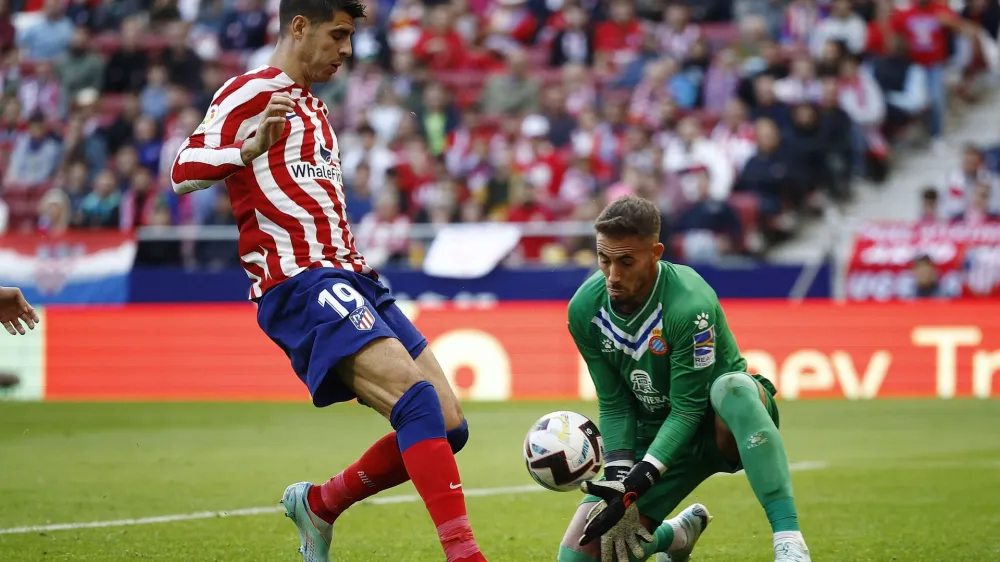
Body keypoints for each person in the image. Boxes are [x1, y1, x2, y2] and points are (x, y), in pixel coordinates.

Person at [168, 1, 487, 561]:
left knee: (448, 424)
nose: (347, 49)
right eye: (337, 35)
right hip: (299, 279)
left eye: (350, 37)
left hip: (354, 276)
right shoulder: (252, 91)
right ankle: (465, 555)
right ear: (298, 26)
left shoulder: (314, 109)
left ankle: (320, 504)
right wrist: (244, 150)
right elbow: (183, 170)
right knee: (414, 404)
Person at [557, 195, 811, 562]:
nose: (612, 275)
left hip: (721, 424)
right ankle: (675, 535)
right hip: (656, 436)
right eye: (604, 259)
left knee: (732, 386)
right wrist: (618, 480)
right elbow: (614, 402)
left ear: (656, 252)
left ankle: (789, 540)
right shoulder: (584, 309)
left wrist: (639, 481)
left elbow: (689, 409)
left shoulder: (689, 304)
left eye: (626, 261)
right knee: (580, 557)